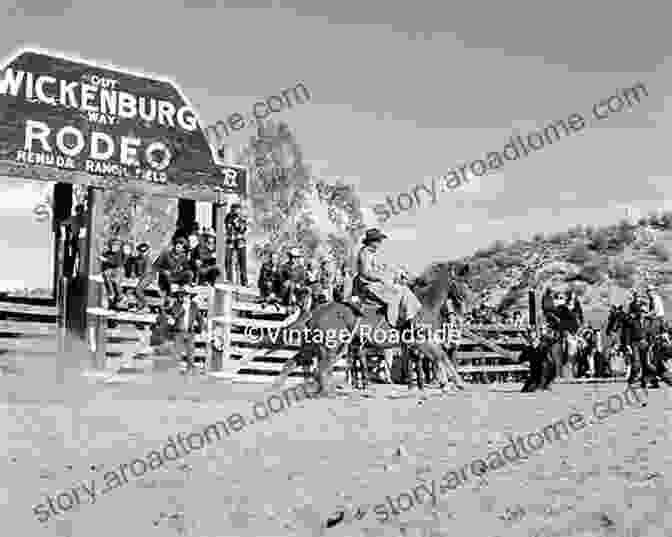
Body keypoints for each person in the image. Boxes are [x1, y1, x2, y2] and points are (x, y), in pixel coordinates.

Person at [354, 228, 422, 328]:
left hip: (374, 283)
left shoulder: (373, 253)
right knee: (398, 291)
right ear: (372, 241)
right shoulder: (365, 253)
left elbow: (383, 268)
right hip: (367, 286)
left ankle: (410, 318)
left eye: (380, 240)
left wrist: (396, 273)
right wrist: (382, 278)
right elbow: (366, 273)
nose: (380, 243)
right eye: (378, 240)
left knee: (403, 289)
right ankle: (396, 323)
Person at [133, 234, 194, 312]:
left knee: (189, 273)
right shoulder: (166, 253)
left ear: (183, 249)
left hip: (175, 276)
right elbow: (155, 266)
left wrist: (183, 270)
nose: (177, 248)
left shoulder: (183, 257)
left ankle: (183, 289)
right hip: (164, 277)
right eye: (177, 246)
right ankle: (168, 299)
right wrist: (163, 271)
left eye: (180, 248)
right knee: (167, 277)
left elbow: (186, 268)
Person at [165, 286, 205, 373]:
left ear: (189, 296)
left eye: (184, 295)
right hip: (178, 332)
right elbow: (174, 315)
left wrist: (200, 329)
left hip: (190, 332)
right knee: (177, 353)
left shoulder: (194, 305)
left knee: (190, 353)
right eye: (180, 296)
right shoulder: (177, 305)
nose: (182, 297)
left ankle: (189, 370)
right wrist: (183, 308)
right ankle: (174, 371)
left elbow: (200, 318)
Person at [100, 237, 128, 310]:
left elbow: (117, 263)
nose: (114, 247)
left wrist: (106, 260)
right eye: (113, 245)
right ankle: (111, 293)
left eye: (116, 246)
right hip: (111, 269)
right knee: (106, 275)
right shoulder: (108, 252)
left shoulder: (120, 253)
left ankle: (121, 296)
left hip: (118, 269)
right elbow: (104, 257)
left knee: (115, 281)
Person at [224, 203, 248, 286]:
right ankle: (229, 279)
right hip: (230, 240)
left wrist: (236, 222)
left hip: (240, 241)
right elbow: (227, 227)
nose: (234, 211)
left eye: (236, 209)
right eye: (233, 209)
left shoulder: (242, 217)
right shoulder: (228, 217)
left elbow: (242, 229)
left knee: (242, 261)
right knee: (227, 260)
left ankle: (244, 281)